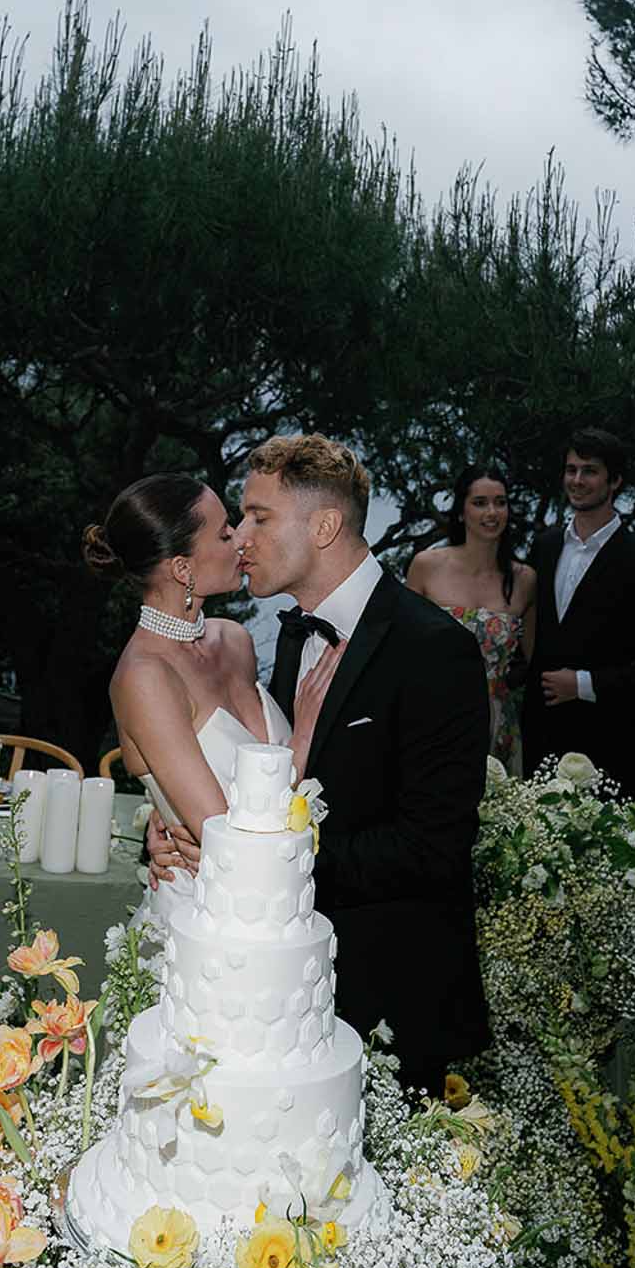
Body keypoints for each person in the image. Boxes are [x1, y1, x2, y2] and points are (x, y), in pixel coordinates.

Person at [156, 433, 489, 1093]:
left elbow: (433, 846)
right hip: (283, 996)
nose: (240, 536)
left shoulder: (434, 650)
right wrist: (179, 823)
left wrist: (268, 861)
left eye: (260, 516)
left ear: (327, 525)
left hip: (388, 999)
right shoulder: (289, 633)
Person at [84, 473, 341, 924]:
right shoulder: (145, 677)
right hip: (206, 919)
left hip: (285, 910)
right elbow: (228, 844)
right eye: (224, 533)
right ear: (183, 569)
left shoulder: (235, 641)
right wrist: (304, 734)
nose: (241, 539)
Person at [520, 426, 635, 795]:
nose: (577, 480)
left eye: (589, 470)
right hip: (538, 744)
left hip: (611, 750)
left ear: (616, 481)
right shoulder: (543, 547)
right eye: (571, 469)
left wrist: (582, 684)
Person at [407, 459, 535, 772]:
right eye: (480, 503)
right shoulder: (426, 566)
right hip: (431, 721)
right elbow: (399, 651)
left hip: (497, 727)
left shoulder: (525, 579)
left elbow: (534, 661)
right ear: (462, 511)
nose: (491, 513)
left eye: (500, 503)